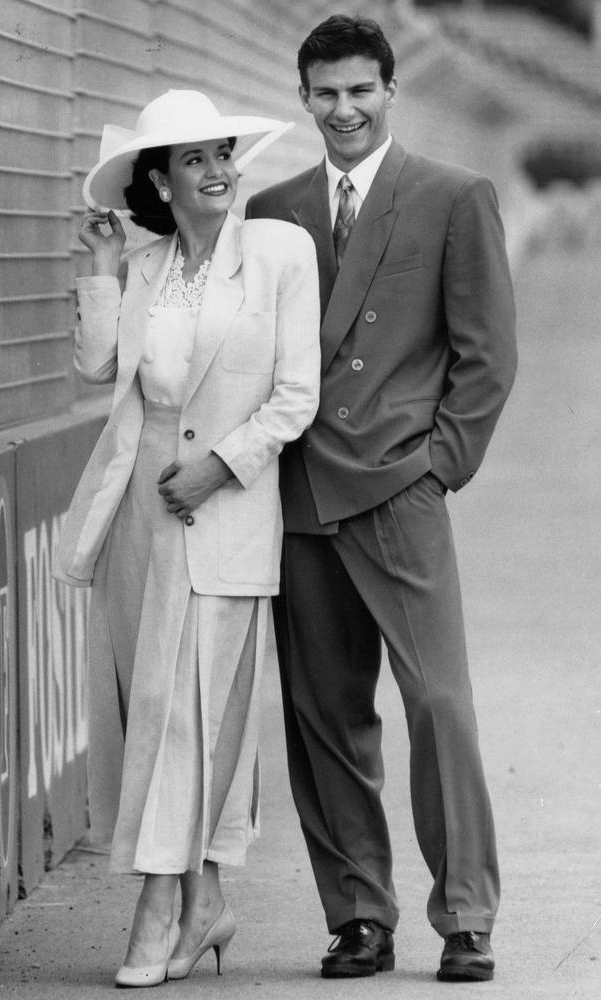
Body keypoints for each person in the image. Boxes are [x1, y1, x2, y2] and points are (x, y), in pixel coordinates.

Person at [245, 14, 517, 984]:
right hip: (303, 491)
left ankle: (466, 916)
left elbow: (486, 356)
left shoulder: (452, 195)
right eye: (324, 91)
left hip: (401, 488)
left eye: (360, 89)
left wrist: (440, 462)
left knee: (439, 704)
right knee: (325, 716)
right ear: (303, 96)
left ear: (391, 91)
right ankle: (357, 913)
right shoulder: (270, 208)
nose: (342, 108)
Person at [53, 89, 320, 987]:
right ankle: (204, 903)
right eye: (192, 160)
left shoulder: (280, 252)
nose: (215, 171)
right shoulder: (144, 268)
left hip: (228, 514)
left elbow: (296, 394)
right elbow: (97, 369)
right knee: (159, 719)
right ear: (159, 183)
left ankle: (158, 909)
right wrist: (99, 266)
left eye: (221, 154)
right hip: (141, 521)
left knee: (193, 720)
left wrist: (223, 466)